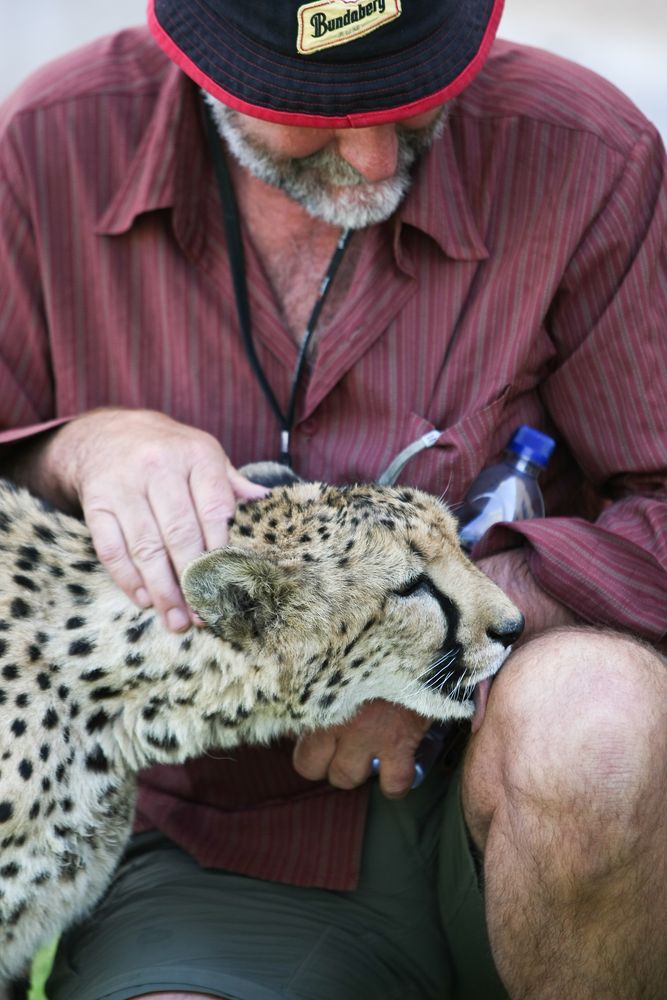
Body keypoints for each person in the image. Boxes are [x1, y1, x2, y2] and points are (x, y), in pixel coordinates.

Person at [0, 0, 665, 997]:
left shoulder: (587, 153)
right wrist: (75, 447)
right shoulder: (52, 140)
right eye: (314, 111)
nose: (369, 156)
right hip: (218, 838)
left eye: (408, 95)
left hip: (523, 813)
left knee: (597, 724)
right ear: (202, 63)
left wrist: (431, 630)